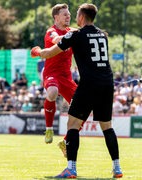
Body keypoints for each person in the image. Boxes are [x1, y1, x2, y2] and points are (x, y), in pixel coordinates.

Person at [31, 3, 123, 178]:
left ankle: (71, 169)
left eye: (74, 14)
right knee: (107, 128)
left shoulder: (76, 35)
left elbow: (49, 53)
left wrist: (37, 52)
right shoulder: (103, 35)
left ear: (81, 17)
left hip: (89, 85)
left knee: (72, 125)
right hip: (107, 83)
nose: (71, 17)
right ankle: (117, 168)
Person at [37, 3, 78, 145]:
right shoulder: (51, 31)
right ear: (56, 17)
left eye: (69, 14)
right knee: (53, 91)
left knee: (83, 107)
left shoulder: (72, 31)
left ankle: (66, 141)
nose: (68, 16)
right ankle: (49, 128)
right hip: (52, 74)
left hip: (67, 77)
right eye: (65, 14)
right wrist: (73, 34)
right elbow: (56, 39)